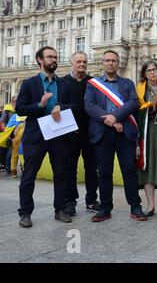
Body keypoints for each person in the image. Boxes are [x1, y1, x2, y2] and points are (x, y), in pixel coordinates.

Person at [16, 46, 78, 227]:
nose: (53, 60)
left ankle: (60, 210)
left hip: (59, 135)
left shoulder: (64, 84)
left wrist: (61, 106)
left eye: (55, 57)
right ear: (39, 60)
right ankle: (25, 213)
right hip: (36, 136)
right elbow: (20, 108)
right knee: (28, 176)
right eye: (49, 57)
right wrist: (39, 104)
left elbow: (75, 105)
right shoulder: (29, 84)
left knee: (61, 174)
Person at [84, 50, 147, 222]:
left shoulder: (127, 83)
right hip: (102, 133)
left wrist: (116, 116)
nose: (111, 63)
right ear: (102, 63)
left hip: (124, 133)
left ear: (118, 63)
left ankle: (135, 206)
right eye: (108, 60)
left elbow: (133, 102)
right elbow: (89, 106)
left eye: (114, 61)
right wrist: (110, 120)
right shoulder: (93, 84)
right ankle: (105, 208)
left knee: (129, 171)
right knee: (104, 173)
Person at [63, 52, 100, 216]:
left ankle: (92, 200)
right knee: (70, 169)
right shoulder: (63, 82)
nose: (82, 64)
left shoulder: (93, 82)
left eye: (84, 61)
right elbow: (58, 105)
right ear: (72, 63)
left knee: (92, 168)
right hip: (70, 132)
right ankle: (70, 201)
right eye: (78, 61)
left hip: (90, 132)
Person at [136, 61, 157, 217]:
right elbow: (137, 110)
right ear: (144, 74)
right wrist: (152, 107)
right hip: (148, 132)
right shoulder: (139, 90)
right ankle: (150, 205)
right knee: (148, 168)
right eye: (149, 70)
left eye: (154, 69)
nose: (152, 72)